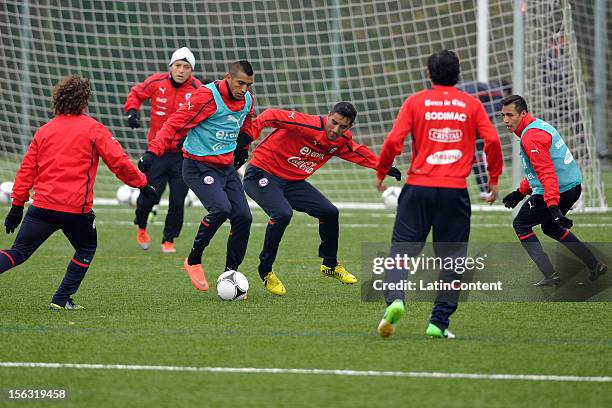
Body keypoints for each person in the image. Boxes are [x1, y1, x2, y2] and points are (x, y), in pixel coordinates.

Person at [375, 50, 503, 339]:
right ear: (458, 75)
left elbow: (394, 140)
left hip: (418, 188)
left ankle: (395, 299)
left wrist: (381, 172)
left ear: (428, 74)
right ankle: (439, 323)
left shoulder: (416, 101)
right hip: (454, 191)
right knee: (453, 260)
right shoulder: (470, 104)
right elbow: (492, 140)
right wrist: (493, 180)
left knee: (401, 254)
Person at [0, 75, 156, 310]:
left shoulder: (44, 131)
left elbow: (26, 170)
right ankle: (61, 299)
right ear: (85, 101)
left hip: (41, 207)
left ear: (59, 99)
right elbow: (119, 163)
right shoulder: (94, 129)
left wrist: (17, 205)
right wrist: (142, 184)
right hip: (75, 210)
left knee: (18, 252)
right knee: (86, 248)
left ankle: (62, 299)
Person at [242, 102, 402, 296]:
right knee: (282, 214)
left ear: (349, 127)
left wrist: (383, 166)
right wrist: (248, 136)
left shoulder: (341, 141)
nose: (335, 129)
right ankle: (265, 270)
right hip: (260, 172)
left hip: (291, 182)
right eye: (333, 122)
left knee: (329, 212)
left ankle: (330, 264)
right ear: (328, 115)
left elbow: (357, 152)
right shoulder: (306, 124)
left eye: (342, 126)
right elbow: (271, 115)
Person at [139, 60, 255, 292]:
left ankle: (230, 273)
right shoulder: (206, 97)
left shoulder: (247, 100)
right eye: (240, 83)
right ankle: (193, 259)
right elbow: (174, 124)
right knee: (221, 209)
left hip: (226, 168)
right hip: (197, 167)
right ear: (228, 77)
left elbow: (247, 123)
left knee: (244, 217)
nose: (244, 89)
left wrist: (243, 146)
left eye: (249, 84)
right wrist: (153, 152)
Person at [500, 94, 606, 286]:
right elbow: (540, 169)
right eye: (503, 115)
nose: (506, 120)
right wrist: (520, 192)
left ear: (523, 113)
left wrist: (553, 207)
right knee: (550, 227)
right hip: (573, 186)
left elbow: (547, 173)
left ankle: (550, 275)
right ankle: (594, 265)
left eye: (510, 115)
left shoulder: (531, 137)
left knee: (521, 224)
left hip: (558, 189)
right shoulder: (539, 126)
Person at [124, 47, 203, 253]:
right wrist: (132, 111)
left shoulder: (198, 90)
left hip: (182, 155)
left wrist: (191, 136)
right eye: (178, 65)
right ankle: (141, 227)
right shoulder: (156, 82)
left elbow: (207, 115)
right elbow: (136, 93)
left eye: (186, 67)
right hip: (156, 153)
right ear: (171, 66)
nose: (181, 70)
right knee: (149, 196)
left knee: (178, 201)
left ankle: (169, 240)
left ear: (191, 70)